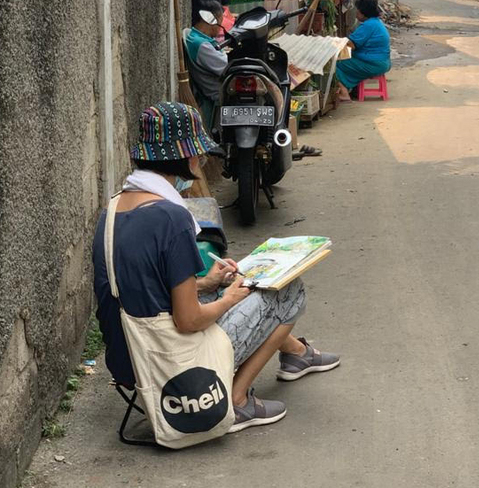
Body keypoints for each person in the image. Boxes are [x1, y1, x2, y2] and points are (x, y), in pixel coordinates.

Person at [92, 101, 340, 434]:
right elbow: (189, 319)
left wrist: (208, 284)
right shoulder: (171, 218)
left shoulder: (113, 209)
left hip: (127, 358)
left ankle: (297, 353)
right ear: (188, 158)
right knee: (287, 289)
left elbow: (143, 287)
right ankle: (237, 401)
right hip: (171, 365)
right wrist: (230, 299)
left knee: (228, 284)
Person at [336, 0, 391, 101]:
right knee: (348, 60)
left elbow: (352, 45)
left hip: (374, 64)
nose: (356, 13)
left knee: (335, 64)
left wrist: (336, 43)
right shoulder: (375, 22)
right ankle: (354, 90)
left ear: (364, 12)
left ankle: (344, 93)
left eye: (358, 10)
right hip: (382, 62)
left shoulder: (368, 25)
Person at [185, 0, 228, 124]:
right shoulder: (201, 45)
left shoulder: (198, 39)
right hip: (218, 93)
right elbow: (226, 67)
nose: (220, 27)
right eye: (220, 22)